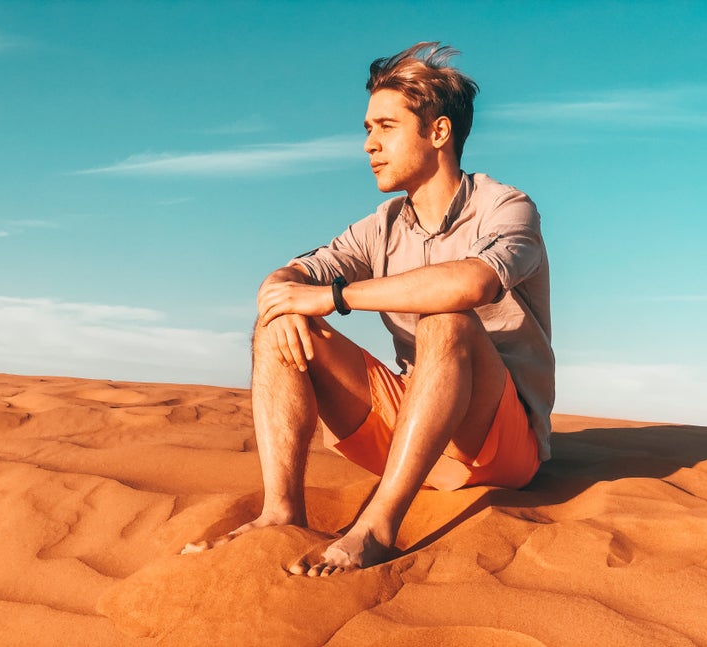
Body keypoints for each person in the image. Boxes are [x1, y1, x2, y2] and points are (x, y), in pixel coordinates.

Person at [183, 42, 554, 576]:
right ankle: (280, 512)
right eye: (366, 129)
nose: (368, 145)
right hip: (413, 430)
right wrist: (289, 297)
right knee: (280, 324)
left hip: (497, 447)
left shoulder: (506, 207)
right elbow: (285, 278)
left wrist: (336, 297)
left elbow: (473, 282)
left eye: (385, 127)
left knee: (446, 321)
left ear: (439, 133)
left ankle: (376, 530)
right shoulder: (379, 226)